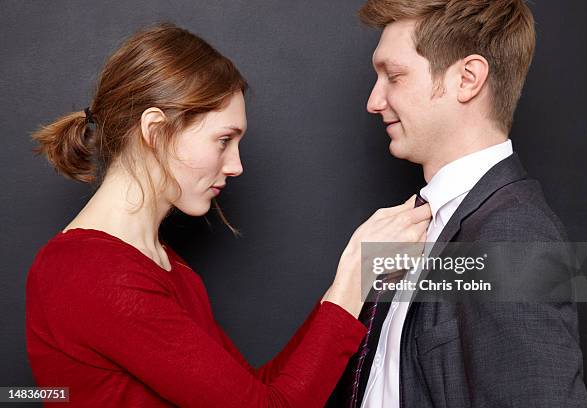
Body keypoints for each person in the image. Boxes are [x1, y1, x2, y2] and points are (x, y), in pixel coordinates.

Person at [26, 22, 432, 407]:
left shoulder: (162, 266)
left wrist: (351, 284)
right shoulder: (93, 272)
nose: (235, 165)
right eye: (223, 140)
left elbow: (260, 393)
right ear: (154, 131)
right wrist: (355, 277)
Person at [329, 1, 587, 407]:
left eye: (394, 76)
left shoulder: (513, 235)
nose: (374, 101)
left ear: (467, 79)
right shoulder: (425, 221)